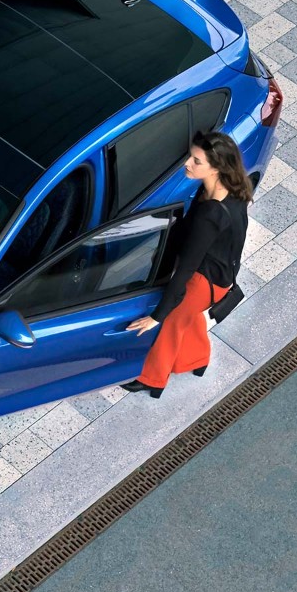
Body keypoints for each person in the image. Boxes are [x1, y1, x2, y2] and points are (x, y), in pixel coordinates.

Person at [122, 131, 251, 399]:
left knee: (172, 323)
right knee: (188, 319)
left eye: (196, 161)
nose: (187, 164)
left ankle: (152, 379)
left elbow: (185, 271)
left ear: (216, 168)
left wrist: (157, 316)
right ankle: (196, 359)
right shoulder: (233, 194)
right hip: (222, 277)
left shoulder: (211, 213)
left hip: (203, 283)